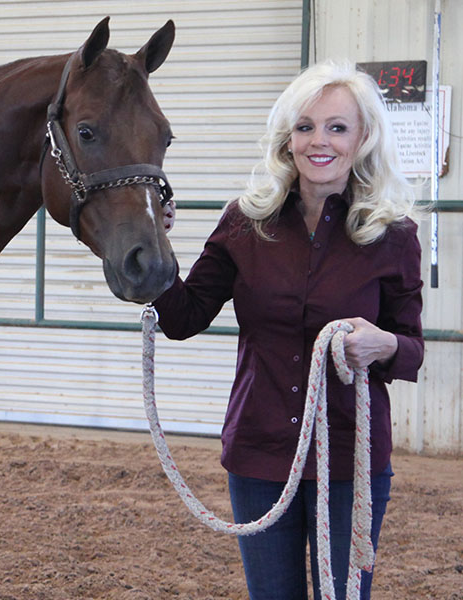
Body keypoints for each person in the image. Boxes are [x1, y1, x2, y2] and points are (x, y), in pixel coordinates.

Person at [155, 60, 423, 600]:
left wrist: (384, 344)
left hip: (350, 460)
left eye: (336, 127)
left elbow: (411, 348)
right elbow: (183, 318)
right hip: (260, 453)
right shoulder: (243, 222)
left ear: (362, 137)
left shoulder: (393, 236)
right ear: (287, 139)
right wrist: (153, 248)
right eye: (305, 127)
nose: (318, 141)